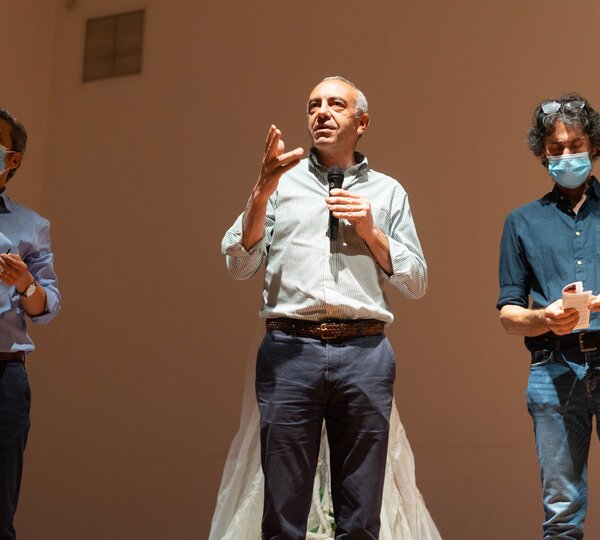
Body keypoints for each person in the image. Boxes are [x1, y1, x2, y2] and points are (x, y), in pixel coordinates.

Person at [221, 76, 427, 539]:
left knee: (361, 516)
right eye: (313, 105)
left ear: (362, 122)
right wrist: (260, 193)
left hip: (364, 353)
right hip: (290, 351)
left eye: (336, 104)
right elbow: (238, 264)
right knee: (282, 513)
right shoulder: (280, 184)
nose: (322, 113)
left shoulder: (388, 191)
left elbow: (416, 282)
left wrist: (372, 233)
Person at [498, 93, 600, 538]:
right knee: (561, 511)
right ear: (542, 153)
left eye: (576, 145)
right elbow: (508, 313)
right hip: (553, 366)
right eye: (556, 148)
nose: (566, 155)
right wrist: (544, 318)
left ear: (593, 146)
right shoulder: (521, 222)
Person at [0, 108, 60, 539]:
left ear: (13, 158)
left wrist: (25, 283)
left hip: (4, 374)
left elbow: (47, 307)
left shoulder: (31, 226)